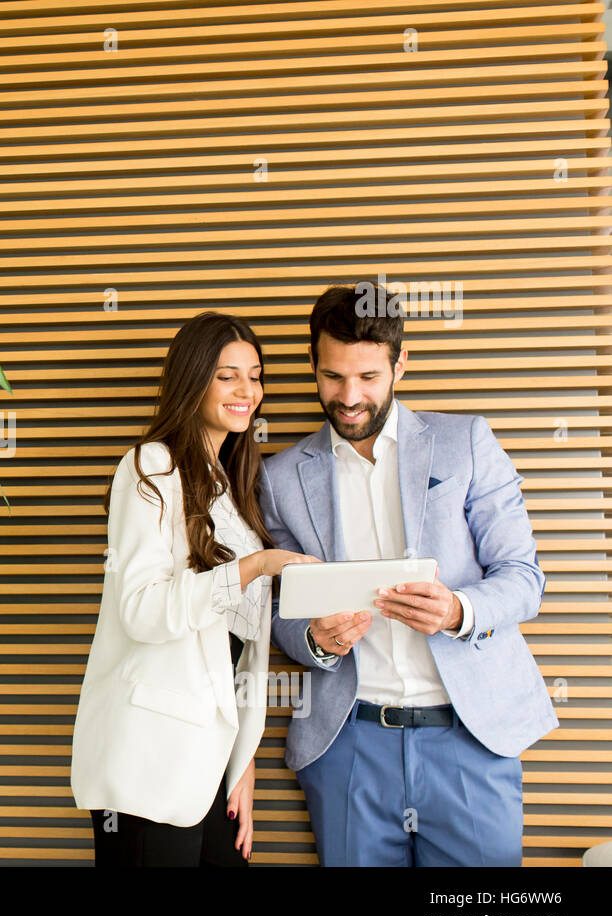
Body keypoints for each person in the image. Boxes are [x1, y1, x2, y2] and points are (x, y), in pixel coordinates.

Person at [259, 283, 557, 866]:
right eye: (332, 377)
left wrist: (457, 611)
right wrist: (316, 641)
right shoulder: (281, 477)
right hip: (348, 747)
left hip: (471, 739)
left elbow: (524, 578)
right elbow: (278, 613)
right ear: (313, 367)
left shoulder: (466, 442)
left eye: (368, 377)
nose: (348, 397)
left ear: (400, 363)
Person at [71, 310, 318, 866]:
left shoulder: (232, 492)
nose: (246, 390)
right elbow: (142, 610)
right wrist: (253, 567)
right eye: (227, 374)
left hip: (212, 763)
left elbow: (238, 657)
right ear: (193, 378)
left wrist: (242, 766)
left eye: (255, 376)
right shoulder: (150, 467)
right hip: (151, 761)